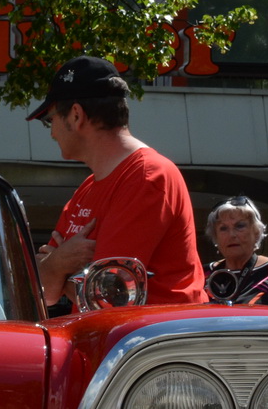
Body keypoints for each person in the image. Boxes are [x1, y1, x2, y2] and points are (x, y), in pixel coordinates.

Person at [29, 56, 203, 309]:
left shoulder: (147, 176)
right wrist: (60, 263)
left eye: (50, 120)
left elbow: (107, 298)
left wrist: (57, 266)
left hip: (152, 333)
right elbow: (42, 291)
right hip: (112, 332)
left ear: (76, 115)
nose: (52, 132)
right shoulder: (89, 187)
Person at [204, 196, 268, 308]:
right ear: (215, 236)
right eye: (223, 228)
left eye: (240, 226)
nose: (231, 235)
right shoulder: (204, 274)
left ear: (257, 232)